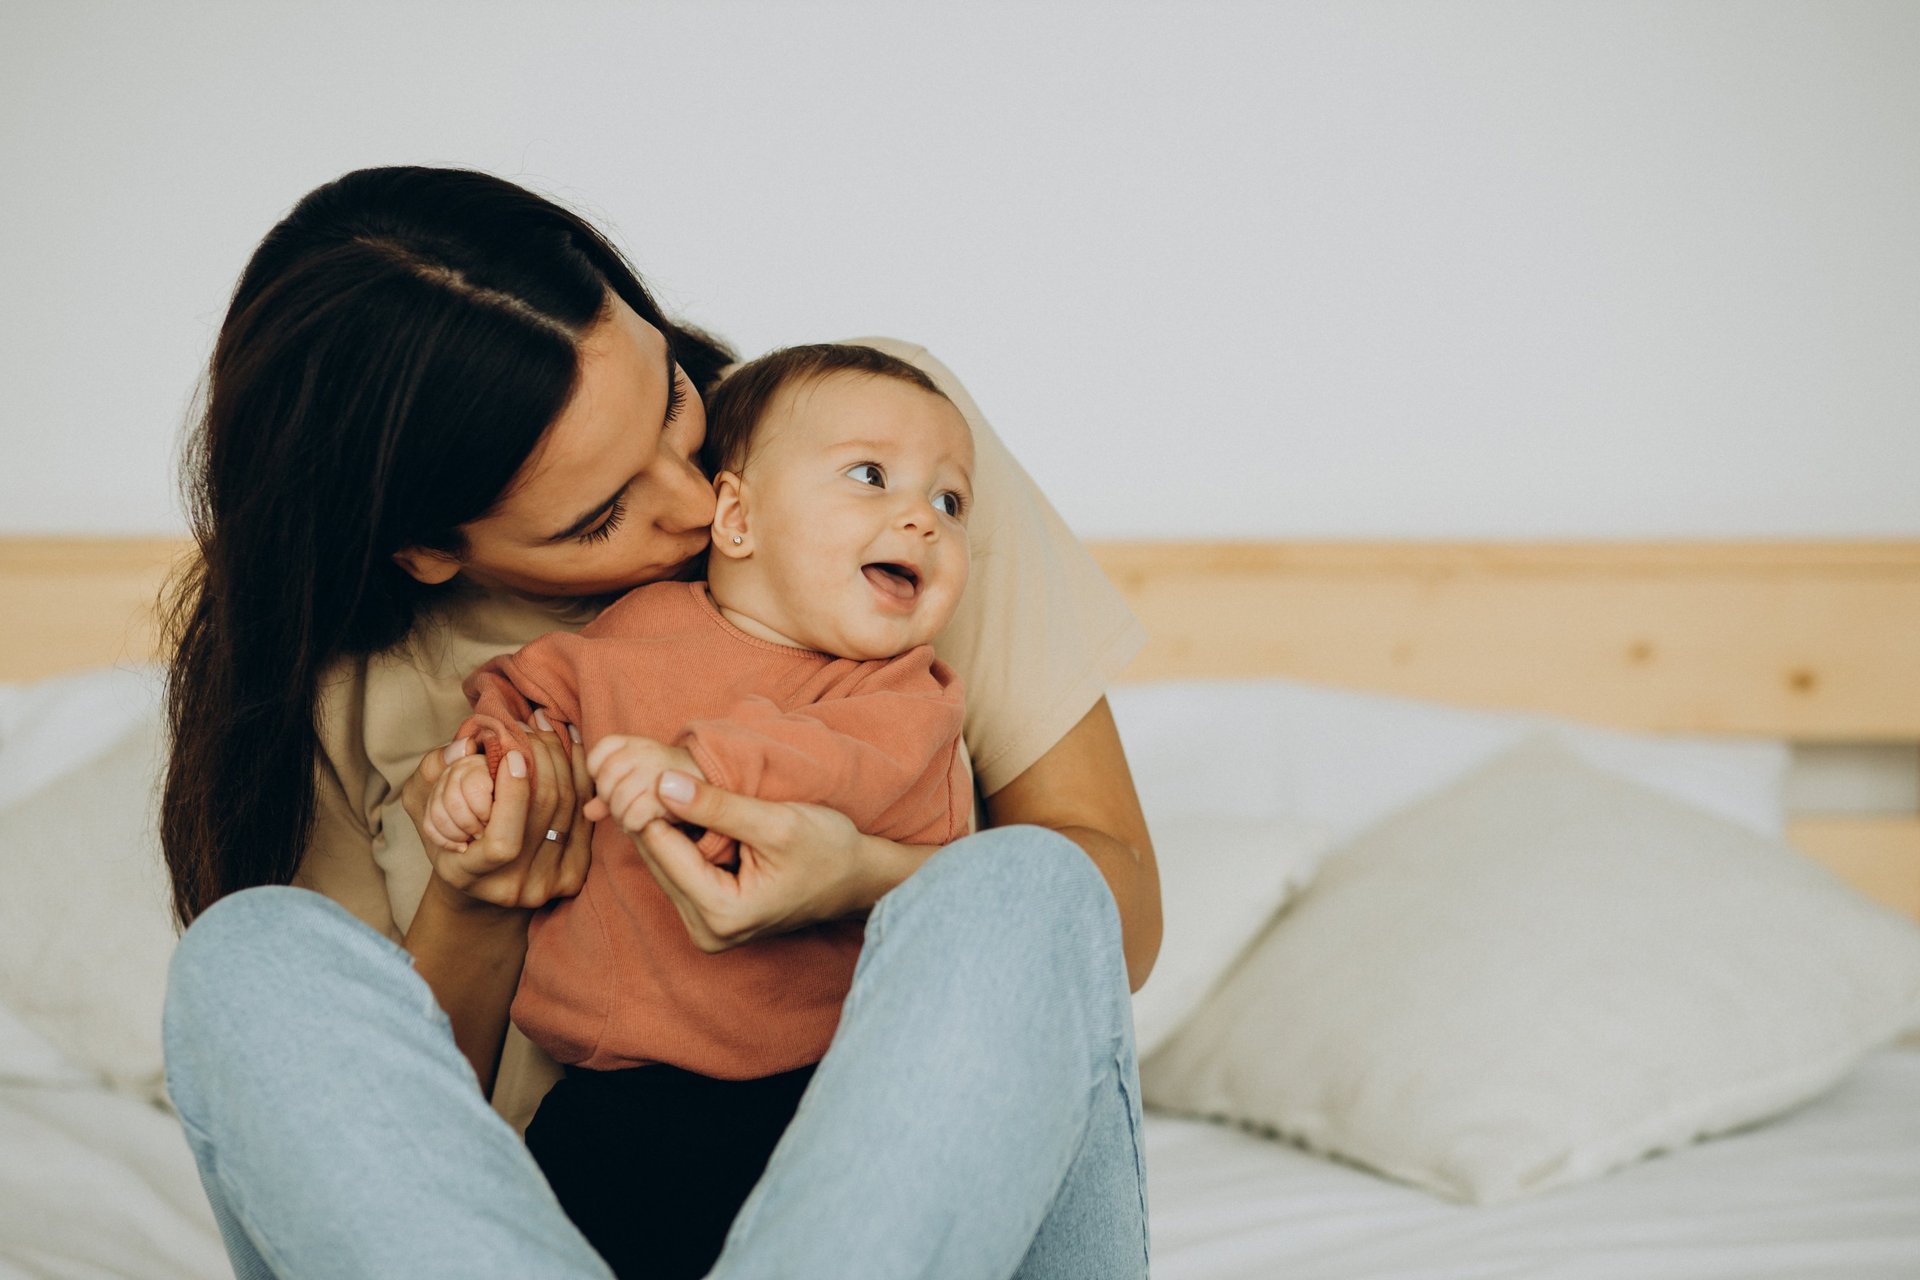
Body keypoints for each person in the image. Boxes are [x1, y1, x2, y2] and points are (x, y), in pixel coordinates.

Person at [158, 164, 1162, 1279]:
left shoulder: (878, 455)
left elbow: (1105, 912)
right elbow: (394, 1158)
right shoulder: (346, 695)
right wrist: (481, 895)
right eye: (600, 515)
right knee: (246, 961)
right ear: (428, 547)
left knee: (1021, 881)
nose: (698, 504)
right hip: (584, 1209)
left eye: (674, 399)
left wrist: (867, 871)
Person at [424, 343, 978, 1275]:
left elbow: (837, 765)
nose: (922, 517)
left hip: (816, 1101)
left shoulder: (904, 691)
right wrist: (485, 771)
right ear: (736, 515)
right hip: (603, 1102)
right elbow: (527, 699)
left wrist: (703, 767)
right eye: (871, 477)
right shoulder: (631, 633)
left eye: (952, 502)